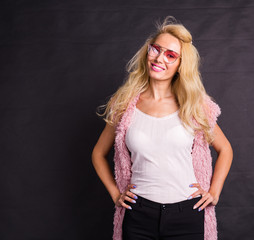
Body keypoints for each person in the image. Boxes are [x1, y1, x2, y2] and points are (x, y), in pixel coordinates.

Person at [92, 16, 233, 240]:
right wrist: (116, 194)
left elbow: (225, 149)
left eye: (170, 55)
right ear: (147, 52)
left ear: (180, 65)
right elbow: (98, 153)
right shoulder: (124, 105)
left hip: (187, 214)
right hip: (138, 214)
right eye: (155, 49)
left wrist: (214, 192)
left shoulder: (194, 106)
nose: (159, 58)